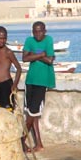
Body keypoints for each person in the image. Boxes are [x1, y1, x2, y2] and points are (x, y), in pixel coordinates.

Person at [22, 21, 55, 152]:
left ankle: (21, 139)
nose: (38, 34)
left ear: (44, 31)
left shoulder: (49, 40)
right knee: (31, 112)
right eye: (35, 31)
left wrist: (33, 56)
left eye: (40, 31)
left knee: (33, 111)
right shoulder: (29, 40)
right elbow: (24, 58)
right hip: (31, 80)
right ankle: (38, 143)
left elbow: (50, 60)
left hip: (43, 81)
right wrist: (42, 55)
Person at [0, 26, 21, 110]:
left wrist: (15, 84)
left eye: (4, 38)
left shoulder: (8, 52)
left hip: (6, 84)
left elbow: (19, 68)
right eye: (0, 38)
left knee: (8, 110)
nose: (2, 41)